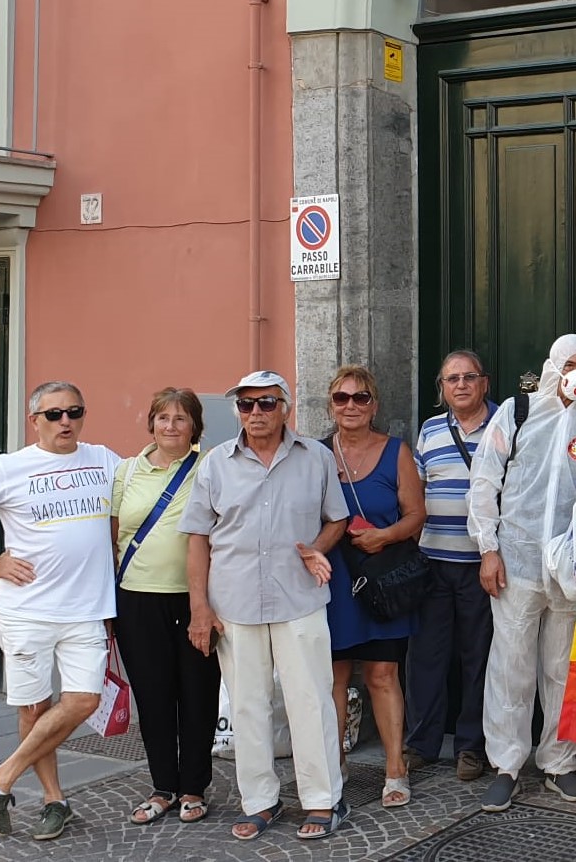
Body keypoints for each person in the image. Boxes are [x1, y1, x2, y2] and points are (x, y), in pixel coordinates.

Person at [0, 382, 120, 841]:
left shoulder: (104, 460)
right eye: (53, 414)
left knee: (83, 701)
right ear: (35, 421)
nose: (65, 421)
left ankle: (0, 779)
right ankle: (55, 801)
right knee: (35, 706)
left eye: (74, 411)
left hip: (88, 608)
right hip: (27, 610)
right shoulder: (6, 468)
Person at [180, 370, 353, 842]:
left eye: (266, 404)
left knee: (310, 700)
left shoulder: (316, 457)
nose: (255, 413)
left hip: (298, 597)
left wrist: (318, 547)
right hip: (233, 601)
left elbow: (338, 519)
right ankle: (261, 801)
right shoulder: (216, 464)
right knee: (248, 706)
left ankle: (323, 799)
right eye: (246, 405)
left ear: (286, 408)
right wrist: (200, 606)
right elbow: (197, 537)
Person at [468, 334, 576, 811]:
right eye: (570, 364)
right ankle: (506, 765)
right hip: (517, 559)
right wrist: (488, 548)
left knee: (562, 667)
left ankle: (559, 761)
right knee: (510, 666)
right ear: (553, 365)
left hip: (568, 566)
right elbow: (485, 481)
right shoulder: (517, 411)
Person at [112, 389, 221, 826]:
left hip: (195, 598)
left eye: (180, 418)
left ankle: (193, 787)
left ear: (194, 426)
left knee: (197, 694)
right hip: (136, 598)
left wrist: (206, 606)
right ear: (151, 423)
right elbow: (114, 534)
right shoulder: (126, 471)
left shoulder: (211, 466)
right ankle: (162, 787)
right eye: (162, 418)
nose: (171, 426)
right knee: (153, 697)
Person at [322, 365, 426, 809]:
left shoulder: (395, 452)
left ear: (374, 405)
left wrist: (385, 536)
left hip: (382, 581)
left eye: (360, 398)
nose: (351, 406)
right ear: (331, 406)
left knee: (383, 675)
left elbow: (417, 514)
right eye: (342, 398)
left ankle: (395, 769)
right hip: (334, 580)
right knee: (335, 677)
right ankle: (334, 764)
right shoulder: (316, 454)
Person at [405, 350, 499, 783]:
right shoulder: (429, 429)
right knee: (426, 657)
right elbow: (418, 489)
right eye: (451, 379)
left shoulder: (507, 426)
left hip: (483, 565)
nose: (459, 385)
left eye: (468, 377)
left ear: (484, 382)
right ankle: (422, 744)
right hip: (432, 563)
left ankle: (470, 748)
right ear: (441, 389)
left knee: (478, 659)